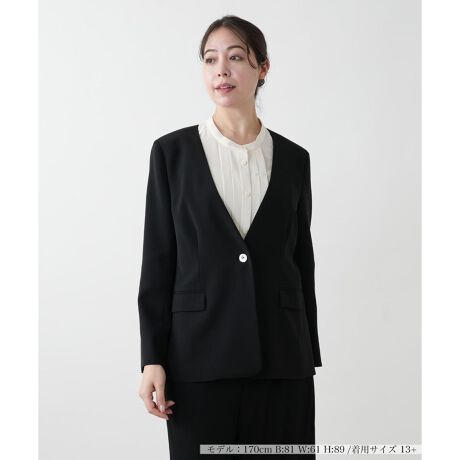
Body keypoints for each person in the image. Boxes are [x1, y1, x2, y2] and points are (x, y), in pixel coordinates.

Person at [137, 15, 322, 460]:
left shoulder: (294, 159)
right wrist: (151, 357)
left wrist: (308, 350)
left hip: (282, 361)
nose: (221, 69)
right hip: (197, 362)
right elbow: (159, 260)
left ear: (263, 68)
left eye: (236, 57)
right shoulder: (172, 154)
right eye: (210, 59)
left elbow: (302, 260)